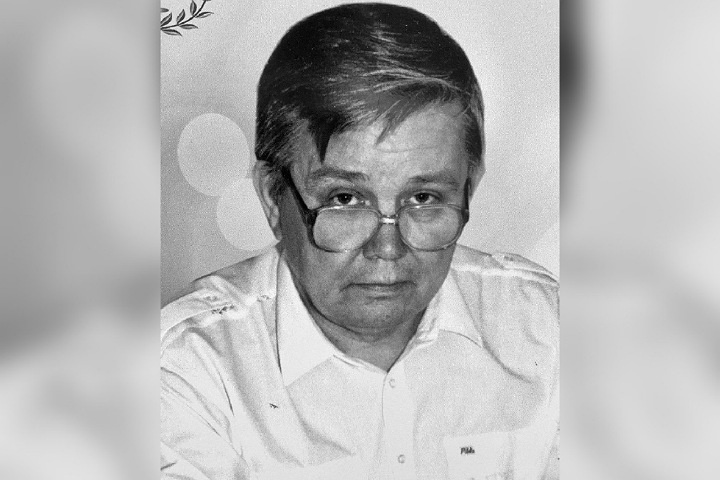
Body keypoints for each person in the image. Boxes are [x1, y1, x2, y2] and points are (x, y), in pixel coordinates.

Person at [161, 3, 558, 479]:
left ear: (469, 187)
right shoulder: (184, 370)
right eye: (345, 199)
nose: (387, 249)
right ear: (272, 197)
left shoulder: (547, 330)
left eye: (424, 198)